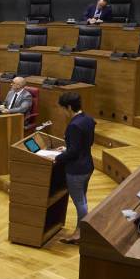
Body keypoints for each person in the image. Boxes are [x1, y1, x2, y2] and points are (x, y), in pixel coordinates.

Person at [54, 91, 96, 245]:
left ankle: (81, 232)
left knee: (80, 202)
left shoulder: (74, 125)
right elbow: (86, 143)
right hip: (87, 165)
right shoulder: (88, 119)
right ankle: (81, 230)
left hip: (76, 169)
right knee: (82, 199)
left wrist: (57, 157)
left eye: (62, 108)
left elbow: (74, 152)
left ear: (69, 107)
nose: (61, 112)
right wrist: (67, 148)